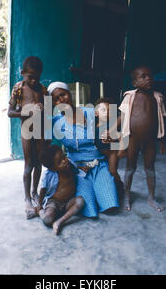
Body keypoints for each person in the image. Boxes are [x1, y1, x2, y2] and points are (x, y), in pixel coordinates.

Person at [47, 82, 119, 218]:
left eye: (63, 94)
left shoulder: (91, 113)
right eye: (56, 99)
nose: (61, 100)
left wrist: (112, 135)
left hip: (98, 163)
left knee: (110, 206)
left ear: (70, 94)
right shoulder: (56, 122)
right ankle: (93, 190)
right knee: (88, 209)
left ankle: (104, 186)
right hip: (77, 168)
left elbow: (117, 118)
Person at [119, 65, 166, 212]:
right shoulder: (130, 97)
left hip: (150, 141)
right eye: (143, 76)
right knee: (130, 168)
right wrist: (112, 130)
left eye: (150, 76)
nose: (148, 79)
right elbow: (122, 116)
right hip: (133, 139)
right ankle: (126, 195)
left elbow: (162, 120)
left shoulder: (157, 98)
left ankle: (151, 197)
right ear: (134, 83)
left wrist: (162, 141)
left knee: (150, 168)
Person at [8, 56, 48, 219]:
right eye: (30, 77)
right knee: (28, 165)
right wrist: (26, 112)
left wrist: (43, 108)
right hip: (26, 130)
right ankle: (26, 198)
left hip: (40, 130)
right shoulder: (18, 88)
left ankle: (34, 192)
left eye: (36, 77)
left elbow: (49, 111)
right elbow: (10, 112)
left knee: (39, 164)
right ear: (23, 73)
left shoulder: (43, 90)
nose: (33, 81)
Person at [35, 145, 85, 235]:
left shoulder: (70, 165)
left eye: (64, 157)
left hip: (68, 202)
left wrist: (83, 169)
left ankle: (59, 222)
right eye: (59, 162)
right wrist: (39, 204)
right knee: (47, 219)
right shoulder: (49, 174)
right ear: (52, 168)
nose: (64, 161)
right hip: (54, 202)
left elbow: (77, 169)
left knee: (80, 201)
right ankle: (40, 212)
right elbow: (43, 189)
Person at [94, 97, 124, 191]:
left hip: (112, 153)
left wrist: (121, 150)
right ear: (96, 113)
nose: (107, 113)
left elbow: (120, 137)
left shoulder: (111, 126)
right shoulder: (94, 126)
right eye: (103, 110)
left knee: (112, 171)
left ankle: (120, 186)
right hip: (100, 154)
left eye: (110, 111)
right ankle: (111, 188)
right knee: (104, 172)